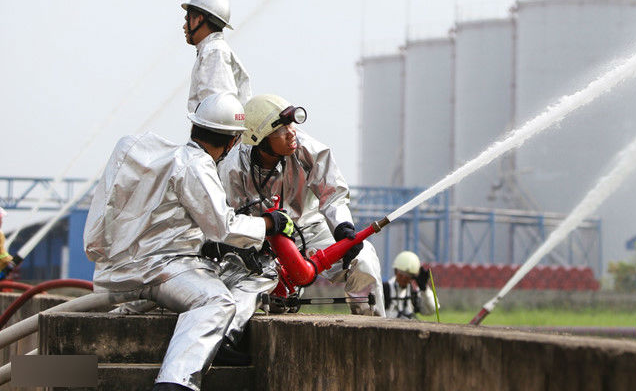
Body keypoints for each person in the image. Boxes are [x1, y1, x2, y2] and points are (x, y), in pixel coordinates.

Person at [83, 94, 295, 391]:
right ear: (233, 141)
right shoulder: (196, 165)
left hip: (119, 272)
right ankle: (175, 383)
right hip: (160, 271)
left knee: (72, 357)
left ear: (195, 127)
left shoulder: (156, 156)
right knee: (216, 300)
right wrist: (270, 223)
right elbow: (223, 226)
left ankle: (41, 374)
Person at [218, 93, 386, 317]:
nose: (291, 133)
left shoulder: (308, 149)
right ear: (260, 138)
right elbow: (230, 221)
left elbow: (332, 193)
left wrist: (342, 227)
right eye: (281, 129)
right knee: (251, 293)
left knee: (363, 257)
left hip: (311, 230)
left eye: (291, 125)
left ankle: (371, 329)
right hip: (260, 243)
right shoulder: (232, 169)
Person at [182, 0, 252, 112]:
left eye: (187, 19)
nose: (184, 26)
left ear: (199, 19)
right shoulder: (213, 50)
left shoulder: (214, 51)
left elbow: (216, 108)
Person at [383, 250, 436, 320]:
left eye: (408, 276)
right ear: (395, 271)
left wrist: (424, 289)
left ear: (413, 277)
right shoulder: (385, 290)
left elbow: (431, 310)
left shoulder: (413, 292)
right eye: (401, 274)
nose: (404, 278)